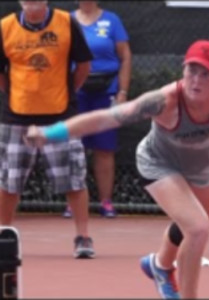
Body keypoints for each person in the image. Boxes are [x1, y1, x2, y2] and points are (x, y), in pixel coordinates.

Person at [24, 40, 209, 299]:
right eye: (192, 70)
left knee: (192, 223)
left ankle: (159, 264)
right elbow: (105, 119)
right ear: (183, 69)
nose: (197, 80)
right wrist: (51, 133)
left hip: (201, 167)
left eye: (206, 74)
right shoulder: (163, 100)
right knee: (198, 227)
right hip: (159, 163)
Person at [0, 0, 95, 258]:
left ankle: (83, 237)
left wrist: (68, 93)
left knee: (73, 178)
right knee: (9, 181)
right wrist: (14, 96)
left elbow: (83, 64)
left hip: (61, 116)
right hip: (16, 117)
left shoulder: (66, 22)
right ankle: (4, 235)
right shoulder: (5, 27)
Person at [62, 0, 131, 219]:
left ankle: (105, 202)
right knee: (74, 149)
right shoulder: (67, 20)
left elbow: (125, 56)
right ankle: (73, 204)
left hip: (106, 91)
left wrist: (122, 92)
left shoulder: (112, 20)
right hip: (75, 92)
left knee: (104, 148)